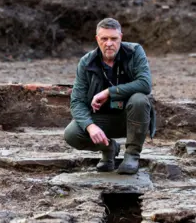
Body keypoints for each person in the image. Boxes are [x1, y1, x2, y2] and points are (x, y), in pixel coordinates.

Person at [64, 17, 155, 175]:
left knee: (140, 99)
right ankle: (109, 149)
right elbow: (77, 101)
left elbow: (145, 84)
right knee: (71, 134)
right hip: (102, 119)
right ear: (97, 39)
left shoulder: (134, 52)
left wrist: (109, 92)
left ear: (121, 37)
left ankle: (132, 155)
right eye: (104, 38)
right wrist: (90, 126)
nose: (109, 43)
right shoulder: (86, 62)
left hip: (130, 117)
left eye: (114, 38)